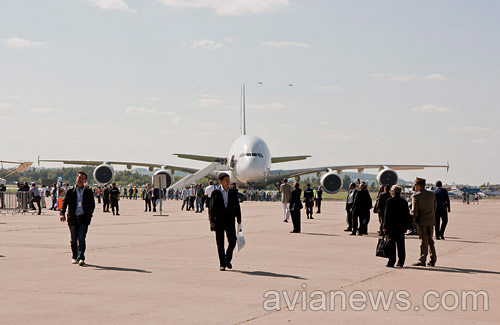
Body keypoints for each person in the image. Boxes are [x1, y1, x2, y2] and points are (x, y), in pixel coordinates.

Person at [59, 172, 95, 266]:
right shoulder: (70, 191)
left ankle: (81, 258)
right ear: (76, 178)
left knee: (82, 238)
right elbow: (64, 203)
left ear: (85, 180)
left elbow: (92, 205)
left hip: (83, 218)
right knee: (74, 239)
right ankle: (74, 257)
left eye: (82, 178)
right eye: (79, 177)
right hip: (73, 218)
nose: (80, 179)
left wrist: (89, 214)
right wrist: (62, 213)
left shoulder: (88, 192)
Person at [209, 173, 242, 271]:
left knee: (232, 241)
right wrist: (211, 219)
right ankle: (222, 264)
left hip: (230, 220)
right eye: (226, 180)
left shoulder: (233, 192)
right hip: (219, 221)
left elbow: (237, 206)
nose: (228, 182)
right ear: (221, 181)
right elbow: (211, 207)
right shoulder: (216, 192)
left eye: (228, 180)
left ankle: (228, 259)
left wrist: (239, 219)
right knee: (220, 243)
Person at [382, 185, 412, 268]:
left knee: (391, 244)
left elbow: (386, 215)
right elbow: (407, 215)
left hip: (391, 226)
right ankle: (401, 261)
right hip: (401, 226)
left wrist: (384, 226)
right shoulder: (404, 201)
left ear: (393, 192)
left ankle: (391, 262)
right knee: (401, 244)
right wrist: (407, 226)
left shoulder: (389, 201)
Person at [411, 178, 437, 267]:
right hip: (431, 220)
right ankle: (433, 259)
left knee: (423, 241)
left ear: (419, 186)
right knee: (430, 240)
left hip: (422, 221)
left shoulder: (416, 196)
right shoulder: (432, 194)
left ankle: (422, 260)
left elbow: (414, 211)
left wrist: (412, 221)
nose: (414, 186)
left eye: (415, 185)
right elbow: (434, 208)